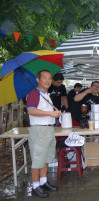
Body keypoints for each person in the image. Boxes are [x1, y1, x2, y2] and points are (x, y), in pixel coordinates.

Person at [26, 70, 61, 198]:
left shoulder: (46, 94)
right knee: (37, 160)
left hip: (48, 129)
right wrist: (51, 113)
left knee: (46, 158)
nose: (48, 80)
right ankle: (35, 186)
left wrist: (54, 113)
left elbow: (43, 111)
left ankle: (43, 181)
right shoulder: (34, 93)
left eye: (49, 78)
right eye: (44, 78)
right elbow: (31, 111)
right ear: (37, 79)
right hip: (39, 130)